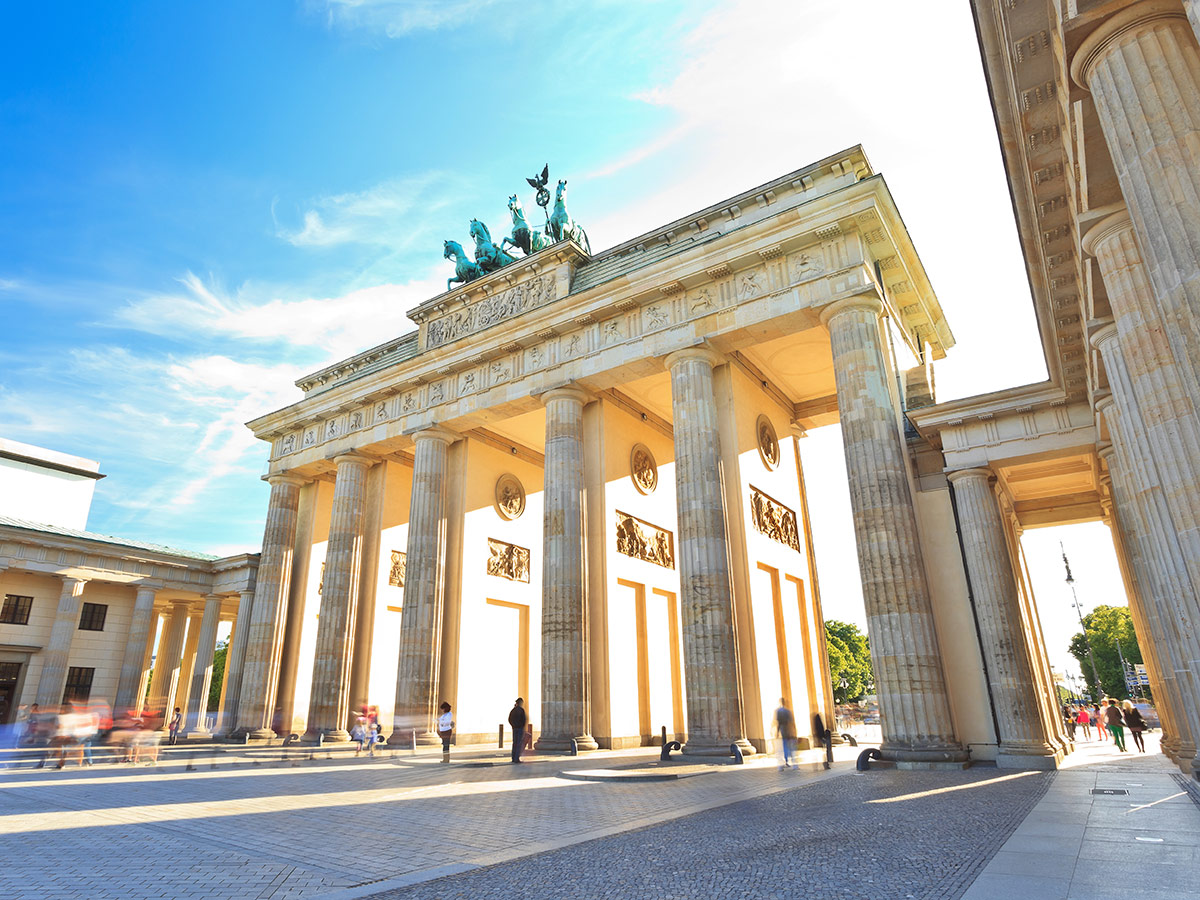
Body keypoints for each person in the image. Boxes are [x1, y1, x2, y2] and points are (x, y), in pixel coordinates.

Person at [773, 698, 797, 769]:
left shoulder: (778, 711)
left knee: (785, 745)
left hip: (782, 729)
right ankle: (792, 761)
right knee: (790, 746)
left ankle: (786, 760)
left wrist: (777, 732)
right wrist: (793, 731)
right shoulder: (788, 711)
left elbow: (778, 722)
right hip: (788, 729)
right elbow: (791, 722)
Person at [508, 698, 527, 764]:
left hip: (514, 728)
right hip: (519, 729)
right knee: (519, 743)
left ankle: (513, 758)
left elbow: (509, 719)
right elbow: (524, 720)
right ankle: (516, 759)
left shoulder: (513, 710)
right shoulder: (521, 710)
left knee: (514, 743)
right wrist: (521, 726)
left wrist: (513, 726)